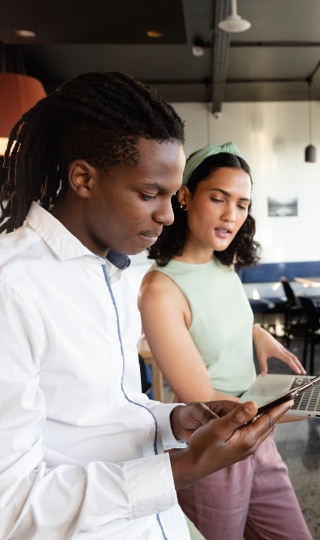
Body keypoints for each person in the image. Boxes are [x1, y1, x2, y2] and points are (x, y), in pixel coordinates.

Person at [0, 75, 293, 540]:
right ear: (83, 178)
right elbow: (10, 507)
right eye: (148, 193)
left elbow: (110, 409)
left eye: (169, 194)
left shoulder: (113, 272)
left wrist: (175, 419)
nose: (168, 215)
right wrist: (186, 467)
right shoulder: (12, 287)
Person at [138, 142, 312, 540]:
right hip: (211, 449)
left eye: (242, 204)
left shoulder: (223, 264)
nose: (231, 216)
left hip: (257, 434)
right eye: (218, 198)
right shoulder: (160, 290)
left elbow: (214, 319)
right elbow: (202, 397)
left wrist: (256, 332)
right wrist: (290, 406)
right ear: (185, 196)